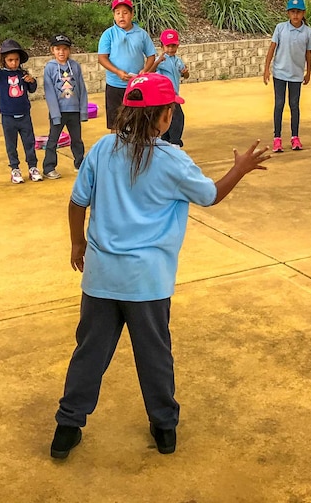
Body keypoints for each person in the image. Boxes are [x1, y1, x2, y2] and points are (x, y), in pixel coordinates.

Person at [50, 73, 270, 460]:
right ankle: (164, 428)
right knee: (154, 355)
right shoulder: (171, 160)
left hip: (101, 276)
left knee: (88, 354)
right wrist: (241, 168)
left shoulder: (102, 150)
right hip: (147, 283)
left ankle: (67, 427)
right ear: (164, 117)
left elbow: (76, 202)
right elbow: (210, 195)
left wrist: (77, 241)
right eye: (170, 109)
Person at [263, 0, 311, 153]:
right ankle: (277, 138)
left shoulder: (308, 32)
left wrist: (308, 72)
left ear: (303, 13)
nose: (295, 15)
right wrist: (267, 69)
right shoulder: (280, 28)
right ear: (288, 13)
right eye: (292, 12)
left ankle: (295, 137)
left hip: (296, 75)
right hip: (280, 73)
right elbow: (272, 48)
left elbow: (308, 54)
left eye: (298, 12)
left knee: (294, 105)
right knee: (279, 104)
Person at [0, 39, 41, 184]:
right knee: (11, 144)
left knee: (29, 142)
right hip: (8, 116)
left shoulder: (23, 73)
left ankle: (33, 167)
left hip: (24, 115)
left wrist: (31, 81)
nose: (14, 63)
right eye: (10, 60)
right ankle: (15, 169)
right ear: (4, 60)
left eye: (16, 60)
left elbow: (32, 90)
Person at [98, 0, 156, 130]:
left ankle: (136, 149)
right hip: (114, 85)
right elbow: (102, 58)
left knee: (137, 122)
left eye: (125, 12)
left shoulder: (141, 34)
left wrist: (145, 70)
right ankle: (117, 149)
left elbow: (151, 55)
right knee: (115, 124)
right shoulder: (108, 34)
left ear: (132, 14)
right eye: (117, 13)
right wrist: (117, 72)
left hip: (136, 85)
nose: (121, 16)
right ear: (114, 15)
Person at [42, 34, 87, 180]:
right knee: (53, 140)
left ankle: (80, 164)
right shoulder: (49, 68)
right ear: (52, 50)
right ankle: (48, 167)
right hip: (59, 112)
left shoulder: (75, 66)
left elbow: (81, 88)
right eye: (58, 49)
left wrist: (83, 111)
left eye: (65, 49)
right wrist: (55, 114)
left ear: (69, 50)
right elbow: (49, 92)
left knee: (77, 140)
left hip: (74, 111)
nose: (61, 52)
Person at [147, 28, 189, 147]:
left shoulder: (177, 61)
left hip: (174, 94)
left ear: (177, 46)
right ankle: (175, 142)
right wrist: (157, 62)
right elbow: (149, 72)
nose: (170, 49)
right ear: (162, 46)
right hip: (164, 95)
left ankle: (165, 140)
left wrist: (185, 72)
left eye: (173, 46)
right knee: (178, 117)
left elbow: (185, 75)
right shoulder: (160, 60)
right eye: (168, 46)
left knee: (167, 118)